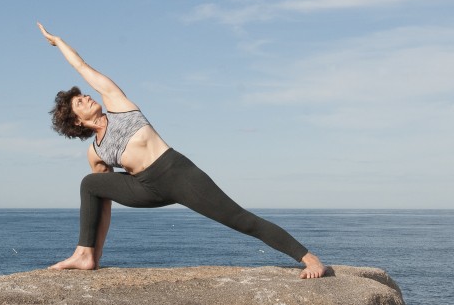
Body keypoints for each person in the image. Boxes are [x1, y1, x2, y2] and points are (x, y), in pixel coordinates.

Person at [37, 22, 328, 279]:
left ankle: (309, 258)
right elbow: (103, 207)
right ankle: (85, 255)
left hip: (176, 173)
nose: (86, 97)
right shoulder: (96, 152)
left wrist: (59, 42)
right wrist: (96, 254)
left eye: (83, 95)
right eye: (79, 102)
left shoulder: (117, 104)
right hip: (146, 189)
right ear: (76, 121)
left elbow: (82, 67)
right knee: (90, 184)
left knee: (241, 220)